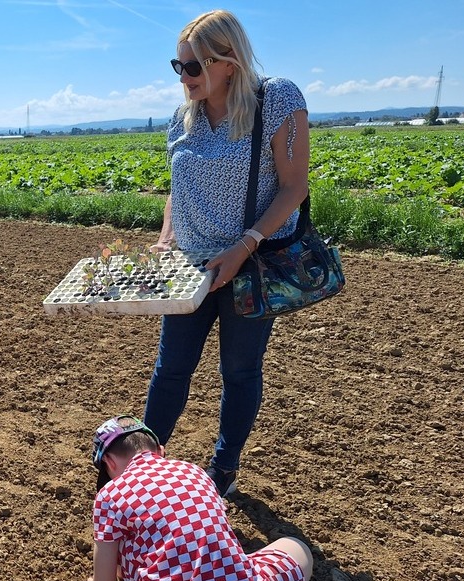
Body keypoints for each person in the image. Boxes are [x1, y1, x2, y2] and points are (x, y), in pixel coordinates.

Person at [144, 9, 310, 497]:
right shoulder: (182, 119)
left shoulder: (275, 99)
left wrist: (243, 246)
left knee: (239, 369)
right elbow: (179, 190)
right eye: (179, 67)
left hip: (251, 265)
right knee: (170, 368)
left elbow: (293, 187)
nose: (185, 77)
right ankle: (146, 465)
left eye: (194, 66)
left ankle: (224, 468)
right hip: (191, 268)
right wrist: (164, 239)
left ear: (230, 62)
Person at [87, 415, 312, 581]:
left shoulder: (110, 495)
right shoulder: (195, 472)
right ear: (160, 452)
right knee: (297, 548)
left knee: (126, 542)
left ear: (109, 463)